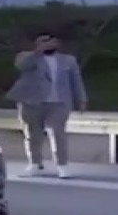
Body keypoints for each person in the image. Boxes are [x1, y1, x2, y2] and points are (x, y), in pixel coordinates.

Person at [5, 32, 88, 179]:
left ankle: (62, 165)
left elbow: (76, 80)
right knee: (33, 135)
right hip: (31, 102)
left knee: (58, 134)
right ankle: (35, 164)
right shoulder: (27, 57)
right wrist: (37, 51)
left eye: (53, 41)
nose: (49, 44)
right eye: (45, 41)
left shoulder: (68, 60)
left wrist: (81, 99)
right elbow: (21, 66)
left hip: (59, 103)